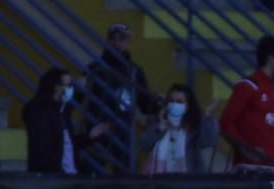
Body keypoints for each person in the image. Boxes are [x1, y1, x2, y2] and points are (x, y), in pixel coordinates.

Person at [83, 22, 160, 174]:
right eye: (113, 38)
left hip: (122, 132)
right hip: (96, 129)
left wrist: (160, 105)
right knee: (91, 176)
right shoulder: (94, 68)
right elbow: (79, 96)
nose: (117, 43)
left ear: (128, 43)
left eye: (122, 39)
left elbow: (145, 103)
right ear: (108, 41)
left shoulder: (135, 71)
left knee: (123, 178)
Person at [219, 35, 274, 168]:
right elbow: (226, 122)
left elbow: (265, 132)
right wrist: (245, 148)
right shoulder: (248, 85)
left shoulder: (271, 88)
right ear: (271, 58)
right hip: (248, 168)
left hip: (268, 166)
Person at [22, 67, 107, 174]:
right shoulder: (39, 112)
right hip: (54, 180)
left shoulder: (61, 110)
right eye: (69, 85)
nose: (71, 89)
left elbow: (65, 143)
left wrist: (89, 136)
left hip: (68, 177)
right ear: (57, 87)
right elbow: (44, 149)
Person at [142, 83, 220, 174]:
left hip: (189, 180)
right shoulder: (155, 120)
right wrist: (161, 126)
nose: (175, 104)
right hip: (159, 180)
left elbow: (210, 140)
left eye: (179, 102)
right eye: (171, 100)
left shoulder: (193, 125)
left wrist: (207, 118)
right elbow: (145, 145)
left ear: (187, 106)